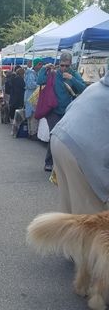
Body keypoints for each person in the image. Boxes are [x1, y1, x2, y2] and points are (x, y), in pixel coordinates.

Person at [50, 70, 109, 214]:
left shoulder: (97, 87)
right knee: (92, 221)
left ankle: (62, 235)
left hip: (62, 136)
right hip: (82, 148)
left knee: (69, 214)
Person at [37, 52, 86, 172]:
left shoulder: (73, 74)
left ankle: (63, 164)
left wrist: (72, 79)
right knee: (54, 136)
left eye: (66, 66)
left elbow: (84, 89)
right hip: (52, 110)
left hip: (67, 111)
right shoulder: (53, 73)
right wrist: (44, 68)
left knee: (65, 138)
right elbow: (40, 81)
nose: (64, 68)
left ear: (70, 65)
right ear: (59, 64)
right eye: (62, 65)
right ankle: (49, 162)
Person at [24, 58, 43, 140]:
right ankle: (32, 133)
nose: (41, 66)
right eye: (39, 64)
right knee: (32, 114)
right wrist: (39, 85)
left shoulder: (34, 73)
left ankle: (30, 132)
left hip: (31, 95)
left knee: (31, 114)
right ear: (35, 65)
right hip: (31, 95)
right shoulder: (31, 73)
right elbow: (30, 85)